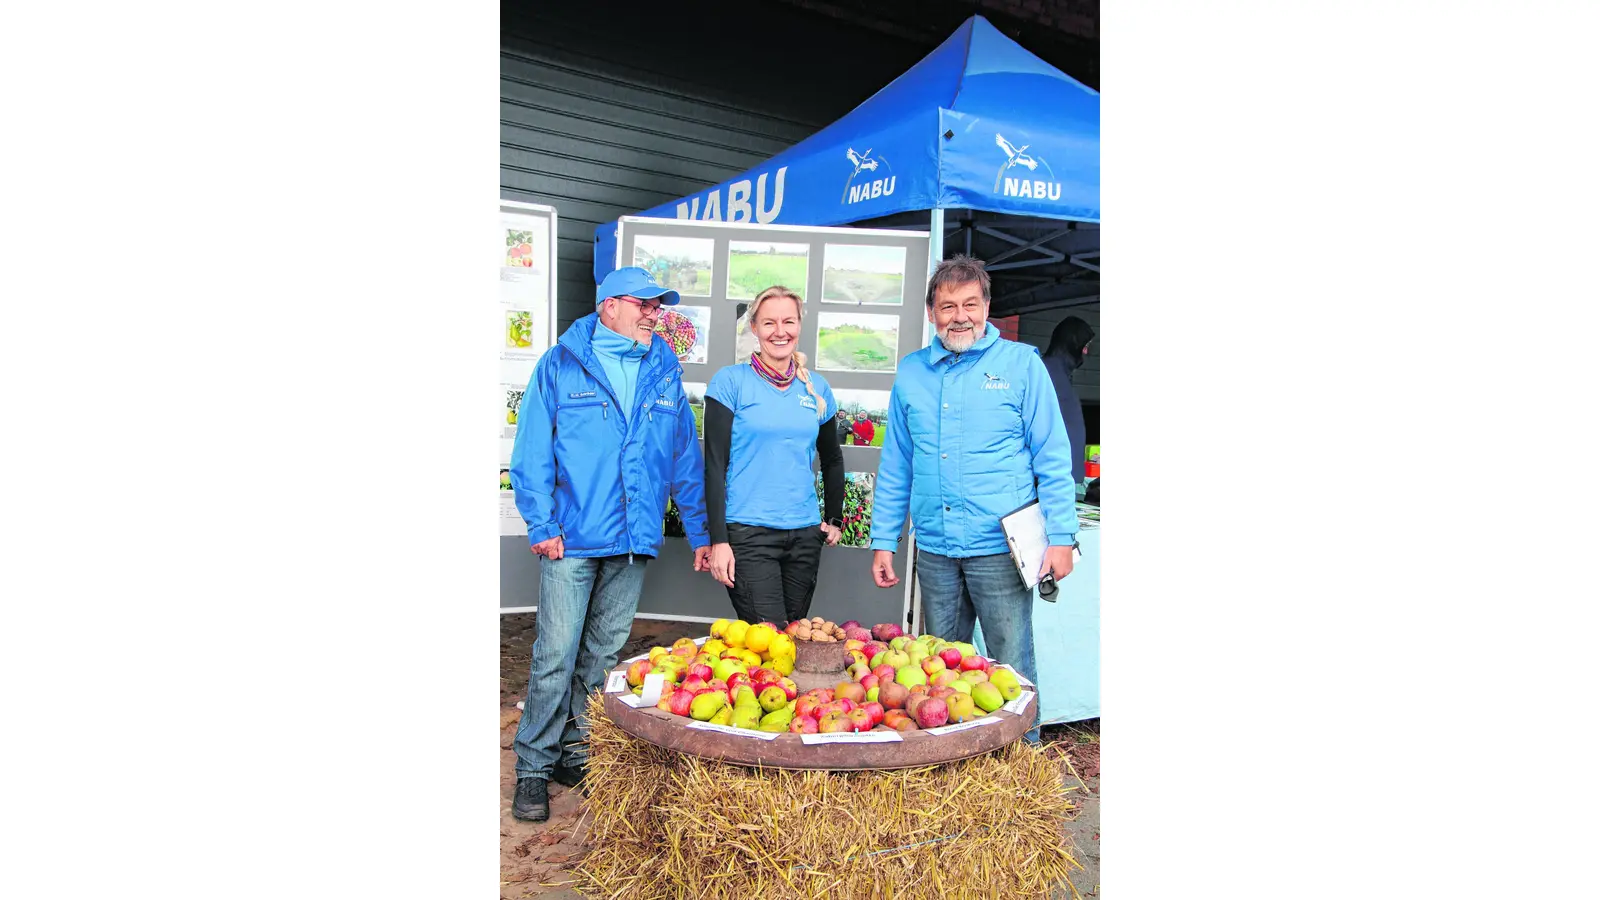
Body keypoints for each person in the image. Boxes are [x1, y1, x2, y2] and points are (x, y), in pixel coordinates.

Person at [507, 265, 712, 822]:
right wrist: (542, 524)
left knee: (601, 656)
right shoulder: (560, 363)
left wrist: (700, 532)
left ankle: (576, 751)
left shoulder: (663, 368)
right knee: (555, 655)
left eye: (658, 306)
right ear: (609, 307)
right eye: (643, 304)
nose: (654, 313)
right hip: (571, 540)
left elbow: (683, 458)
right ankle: (532, 766)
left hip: (631, 538)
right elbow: (531, 452)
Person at [868, 255, 1078, 744]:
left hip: (998, 549)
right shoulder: (913, 372)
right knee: (940, 665)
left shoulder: (1021, 365)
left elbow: (1052, 454)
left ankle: (1022, 761)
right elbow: (897, 462)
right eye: (947, 306)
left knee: (1010, 662)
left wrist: (1062, 537)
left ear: (987, 307)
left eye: (969, 304)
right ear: (931, 313)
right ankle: (955, 759)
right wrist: (884, 540)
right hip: (936, 551)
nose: (958, 316)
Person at [703, 285, 844, 625]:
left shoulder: (817, 388)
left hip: (805, 535)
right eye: (769, 323)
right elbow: (713, 465)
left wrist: (835, 518)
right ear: (754, 328)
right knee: (769, 640)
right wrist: (719, 541)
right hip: (748, 535)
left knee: (793, 638)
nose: (780, 332)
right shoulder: (730, 383)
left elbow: (832, 458)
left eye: (788, 322)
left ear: (799, 326)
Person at [1042, 315, 1096, 484]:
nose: (1085, 352)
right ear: (1071, 343)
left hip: (1062, 480)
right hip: (1055, 483)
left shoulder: (1059, 373)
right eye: (1084, 346)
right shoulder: (1047, 373)